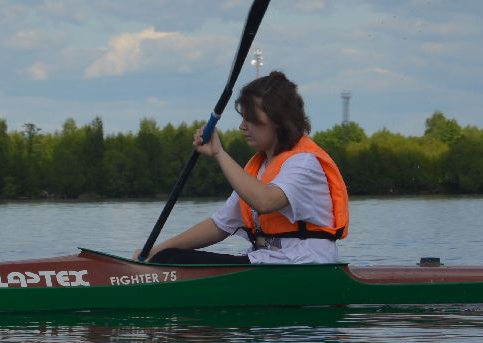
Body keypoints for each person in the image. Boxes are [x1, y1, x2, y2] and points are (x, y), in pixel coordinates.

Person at [142, 71, 350, 265]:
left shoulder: (304, 163)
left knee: (177, 262)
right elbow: (220, 224)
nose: (242, 126)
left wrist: (219, 153)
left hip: (303, 264)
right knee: (168, 256)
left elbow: (265, 201)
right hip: (269, 262)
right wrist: (153, 252)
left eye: (250, 118)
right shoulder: (259, 168)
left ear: (278, 120)